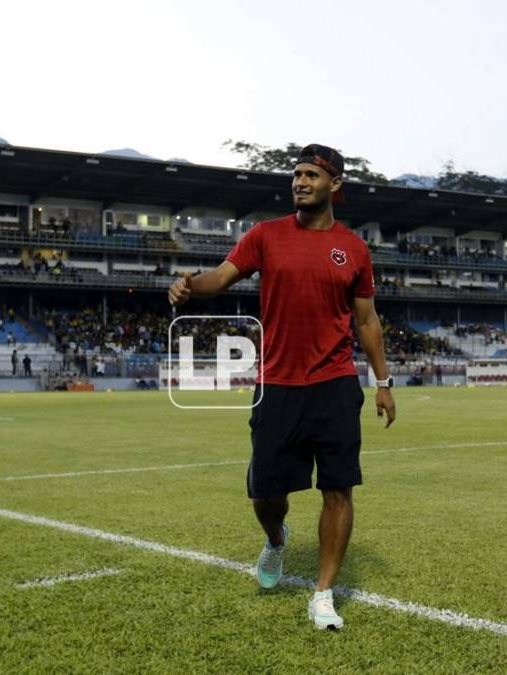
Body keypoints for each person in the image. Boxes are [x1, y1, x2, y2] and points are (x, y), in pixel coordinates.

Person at [167, 143, 396, 631]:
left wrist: (383, 381)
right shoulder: (265, 236)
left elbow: (367, 319)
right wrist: (190, 283)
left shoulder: (354, 250)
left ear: (335, 185)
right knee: (265, 494)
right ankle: (276, 541)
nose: (300, 182)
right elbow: (222, 279)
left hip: (334, 383)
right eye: (296, 174)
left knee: (338, 489)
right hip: (277, 384)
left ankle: (322, 594)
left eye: (311, 174)